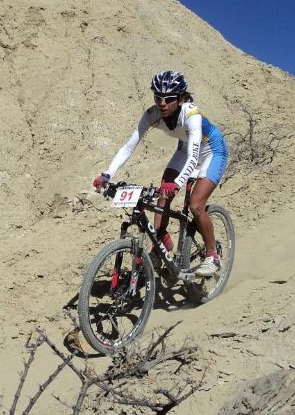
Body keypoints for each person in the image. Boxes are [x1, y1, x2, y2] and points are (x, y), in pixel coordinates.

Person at [92, 70, 229, 276]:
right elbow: (129, 146)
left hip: (212, 151)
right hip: (184, 150)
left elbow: (194, 156)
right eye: (158, 98)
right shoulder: (152, 114)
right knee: (162, 199)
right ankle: (160, 247)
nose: (162, 103)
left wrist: (177, 183)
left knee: (196, 205)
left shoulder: (191, 115)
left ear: (181, 98)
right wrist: (107, 174)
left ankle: (212, 255)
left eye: (169, 99)